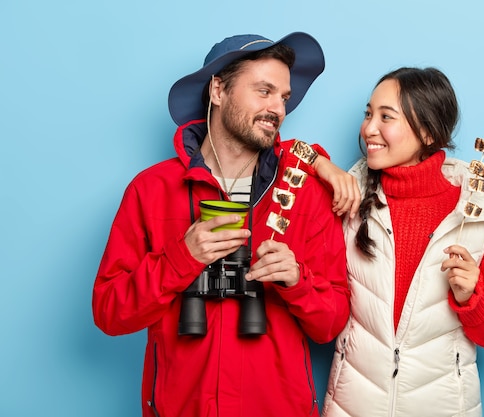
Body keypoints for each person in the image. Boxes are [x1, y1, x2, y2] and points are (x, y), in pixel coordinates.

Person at [92, 32, 351, 417]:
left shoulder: (305, 192)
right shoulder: (151, 190)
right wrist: (181, 259)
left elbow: (331, 324)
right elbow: (110, 312)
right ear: (218, 90)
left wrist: (297, 281)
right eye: (264, 91)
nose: (278, 108)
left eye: (284, 97)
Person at [316, 67, 484, 417]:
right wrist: (323, 165)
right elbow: (281, 157)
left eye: (386, 117)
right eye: (368, 114)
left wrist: (472, 298)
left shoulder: (474, 210)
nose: (369, 129)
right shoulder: (348, 198)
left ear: (427, 132)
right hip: (352, 406)